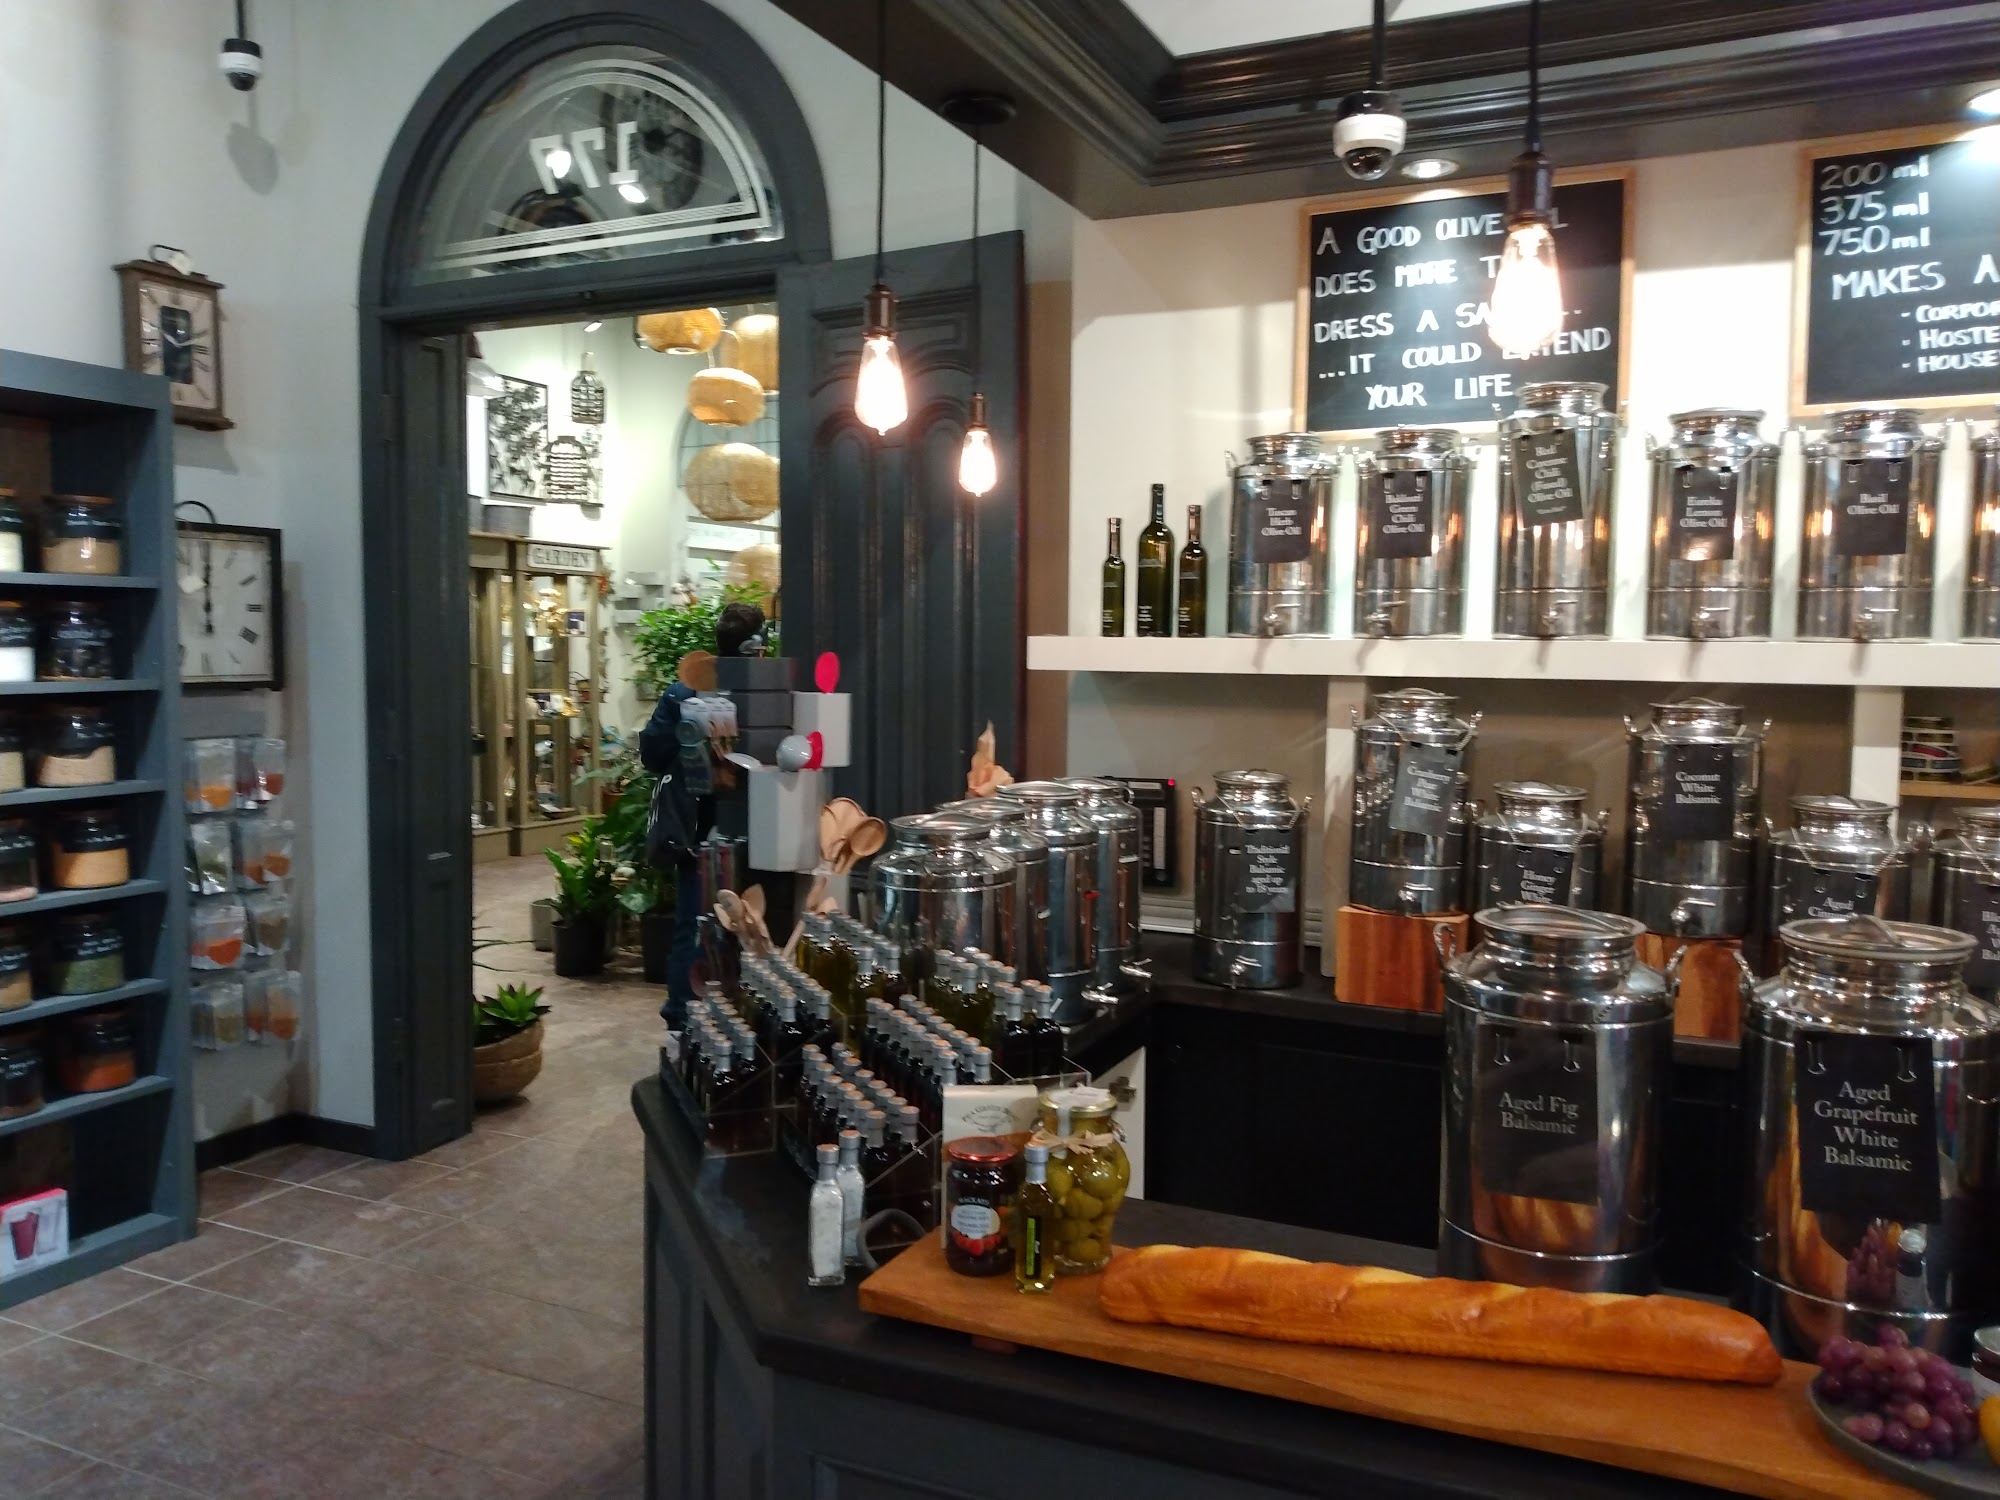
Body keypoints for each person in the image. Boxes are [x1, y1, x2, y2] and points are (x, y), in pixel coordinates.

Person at [637, 601, 768, 1018]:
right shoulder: (766, 693)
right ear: (756, 643)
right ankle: (732, 1018)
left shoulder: (683, 692)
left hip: (698, 832)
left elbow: (652, 754)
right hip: (757, 831)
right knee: (752, 927)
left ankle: (682, 1018)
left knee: (694, 925)